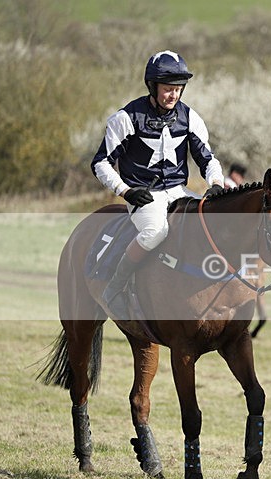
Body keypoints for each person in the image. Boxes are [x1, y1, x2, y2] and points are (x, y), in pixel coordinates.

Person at [91, 50, 225, 318]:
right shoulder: (127, 118)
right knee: (156, 232)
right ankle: (114, 289)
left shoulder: (190, 118)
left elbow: (207, 158)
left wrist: (216, 182)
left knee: (208, 222)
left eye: (178, 89)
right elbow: (100, 164)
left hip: (178, 191)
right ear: (152, 87)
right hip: (144, 195)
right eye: (167, 89)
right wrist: (126, 191)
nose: (173, 95)